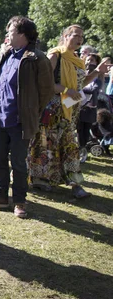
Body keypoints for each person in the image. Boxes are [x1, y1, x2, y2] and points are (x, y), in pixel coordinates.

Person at [0, 16, 54, 219]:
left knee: (19, 163)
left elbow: (47, 91)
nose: (7, 34)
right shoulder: (3, 55)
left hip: (19, 121)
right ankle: (0, 196)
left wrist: (31, 111)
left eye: (10, 30)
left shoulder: (37, 58)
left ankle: (19, 201)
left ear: (22, 34)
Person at [28, 25, 112, 198]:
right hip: (52, 110)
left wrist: (97, 72)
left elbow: (80, 85)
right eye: (76, 35)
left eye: (82, 36)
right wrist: (66, 89)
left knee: (70, 147)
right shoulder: (55, 55)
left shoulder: (76, 59)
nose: (80, 39)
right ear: (65, 36)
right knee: (45, 145)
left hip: (70, 109)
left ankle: (75, 184)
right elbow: (45, 83)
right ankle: (40, 179)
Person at [78, 53, 104, 162]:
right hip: (77, 107)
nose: (89, 62)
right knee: (78, 130)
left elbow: (95, 90)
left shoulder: (97, 78)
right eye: (87, 60)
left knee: (85, 131)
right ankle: (78, 150)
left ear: (97, 63)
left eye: (92, 60)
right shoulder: (80, 74)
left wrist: (80, 90)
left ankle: (82, 150)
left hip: (89, 109)